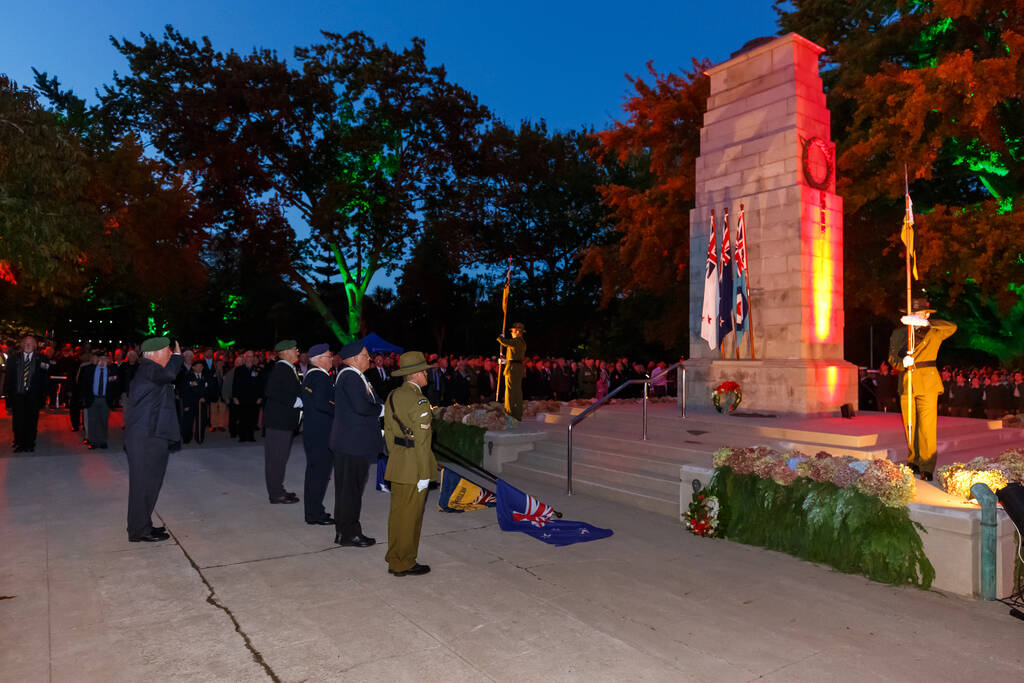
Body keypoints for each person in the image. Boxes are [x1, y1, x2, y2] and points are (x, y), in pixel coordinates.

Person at [888, 298, 957, 481]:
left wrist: (927, 324)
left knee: (927, 427)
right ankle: (914, 461)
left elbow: (952, 327)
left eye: (922, 313)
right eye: (915, 313)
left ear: (926, 315)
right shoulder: (899, 333)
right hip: (907, 381)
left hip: (928, 383)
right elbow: (893, 359)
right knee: (910, 425)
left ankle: (926, 465)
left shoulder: (934, 331)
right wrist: (902, 363)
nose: (920, 316)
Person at [123, 337, 183, 542]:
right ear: (155, 354)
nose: (170, 354)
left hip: (153, 436)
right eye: (167, 351)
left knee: (151, 484)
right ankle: (138, 530)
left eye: (171, 351)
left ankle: (143, 524)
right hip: (145, 439)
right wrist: (178, 355)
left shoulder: (151, 370)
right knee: (142, 486)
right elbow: (171, 373)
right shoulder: (150, 368)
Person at [383, 351, 438, 576]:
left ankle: (394, 556)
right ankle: (404, 562)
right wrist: (425, 474)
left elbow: (388, 432)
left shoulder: (393, 395)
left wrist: (396, 456)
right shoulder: (420, 401)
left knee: (397, 515)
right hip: (414, 467)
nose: (426, 374)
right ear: (415, 375)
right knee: (410, 517)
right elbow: (422, 443)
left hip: (397, 462)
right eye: (424, 371)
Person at [330, 341, 385, 547]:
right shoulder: (351, 377)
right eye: (365, 355)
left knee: (347, 490)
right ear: (354, 359)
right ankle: (350, 533)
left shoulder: (355, 375)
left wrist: (378, 405)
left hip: (351, 442)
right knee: (351, 491)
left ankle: (343, 531)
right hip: (352, 443)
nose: (369, 358)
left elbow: (372, 399)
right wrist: (381, 410)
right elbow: (362, 406)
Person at [299, 343, 335, 526]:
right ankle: (315, 513)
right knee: (319, 475)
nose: (332, 359)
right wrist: (339, 408)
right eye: (329, 356)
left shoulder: (312, 375)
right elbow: (322, 403)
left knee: (314, 474)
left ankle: (313, 511)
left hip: (314, 432)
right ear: (320, 359)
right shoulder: (320, 376)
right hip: (321, 433)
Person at [262, 340, 303, 504]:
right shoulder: (281, 368)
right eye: (295, 349)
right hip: (279, 422)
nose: (298, 352)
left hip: (283, 422)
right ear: (285, 352)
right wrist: (295, 401)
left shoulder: (288, 368)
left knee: (280, 458)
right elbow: (271, 391)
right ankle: (276, 493)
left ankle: (278, 489)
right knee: (276, 459)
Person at [4, 334, 50, 452]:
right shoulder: (13, 359)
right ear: (21, 344)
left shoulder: (43, 359)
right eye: (26, 342)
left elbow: (45, 380)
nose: (28, 345)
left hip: (34, 396)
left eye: (31, 343)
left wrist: (43, 398)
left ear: (35, 345)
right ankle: (19, 443)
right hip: (17, 395)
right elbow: (8, 378)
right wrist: (8, 398)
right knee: (18, 421)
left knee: (32, 421)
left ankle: (30, 443)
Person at [79, 350, 122, 449]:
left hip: (105, 399)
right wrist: (83, 398)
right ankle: (93, 441)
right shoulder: (89, 369)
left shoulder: (112, 370)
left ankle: (102, 441)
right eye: (101, 358)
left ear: (108, 360)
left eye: (105, 358)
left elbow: (117, 385)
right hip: (93, 398)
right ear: (97, 359)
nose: (103, 360)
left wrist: (115, 398)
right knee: (92, 420)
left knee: (103, 421)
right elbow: (83, 384)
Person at [496, 322, 527, 427]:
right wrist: (505, 360)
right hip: (516, 367)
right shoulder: (521, 342)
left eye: (513, 331)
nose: (512, 333)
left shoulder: (517, 341)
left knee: (510, 393)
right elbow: (514, 357)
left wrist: (500, 337)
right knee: (516, 392)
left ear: (517, 332)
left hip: (513, 370)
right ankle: (516, 415)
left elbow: (505, 342)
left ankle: (510, 415)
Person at [232, 350, 263, 442]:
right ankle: (242, 436)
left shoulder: (258, 369)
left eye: (251, 356)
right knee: (242, 418)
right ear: (245, 358)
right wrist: (235, 397)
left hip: (254, 398)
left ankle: (251, 436)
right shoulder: (239, 369)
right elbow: (235, 384)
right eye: (248, 356)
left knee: (252, 418)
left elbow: (261, 384)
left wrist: (260, 397)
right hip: (242, 397)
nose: (250, 358)